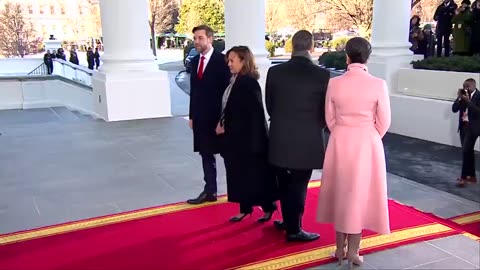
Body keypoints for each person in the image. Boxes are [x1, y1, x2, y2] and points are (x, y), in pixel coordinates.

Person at [316, 37, 391, 267]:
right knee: (360, 196)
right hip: (367, 142)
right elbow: (384, 121)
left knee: (341, 193)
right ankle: (354, 252)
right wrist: (368, 135)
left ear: (347, 57)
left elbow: (329, 118)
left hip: (340, 140)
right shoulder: (378, 84)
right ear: (367, 57)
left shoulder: (334, 83)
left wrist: (342, 131)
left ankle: (339, 249)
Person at [266, 30, 330, 242]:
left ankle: (288, 221)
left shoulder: (275, 72)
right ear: (311, 47)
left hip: (280, 137)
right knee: (299, 185)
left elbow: (270, 106)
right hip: (308, 140)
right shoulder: (322, 75)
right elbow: (325, 111)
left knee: (283, 183)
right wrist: (315, 126)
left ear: (292, 46)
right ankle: (294, 229)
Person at [216, 46, 278, 222]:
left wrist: (228, 127)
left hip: (249, 141)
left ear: (243, 61)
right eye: (228, 60)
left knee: (255, 177)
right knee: (239, 175)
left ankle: (268, 206)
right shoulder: (235, 80)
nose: (229, 63)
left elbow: (253, 116)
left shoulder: (249, 83)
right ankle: (245, 207)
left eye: (232, 60)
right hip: (236, 139)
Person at [187, 25, 231, 204]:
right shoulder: (195, 61)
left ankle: (239, 190)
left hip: (218, 119)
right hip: (200, 118)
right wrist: (191, 116)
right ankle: (210, 190)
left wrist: (224, 120)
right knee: (205, 154)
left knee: (228, 155)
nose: (196, 42)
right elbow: (194, 91)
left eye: (200, 38)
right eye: (195, 38)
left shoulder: (223, 62)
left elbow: (228, 92)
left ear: (210, 39)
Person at [452, 78, 480, 187]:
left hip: (474, 128)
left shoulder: (478, 95)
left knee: (465, 150)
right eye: (464, 86)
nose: (465, 89)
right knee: (468, 151)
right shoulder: (463, 95)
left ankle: (463, 178)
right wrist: (459, 99)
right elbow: (454, 109)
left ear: (473, 86)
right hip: (463, 127)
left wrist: (468, 102)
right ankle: (472, 176)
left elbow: (478, 111)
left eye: (467, 87)